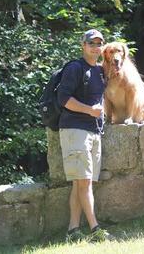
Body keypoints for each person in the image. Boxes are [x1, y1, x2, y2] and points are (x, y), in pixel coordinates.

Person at [57, 29, 111, 242]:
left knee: (80, 183)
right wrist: (90, 111)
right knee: (85, 182)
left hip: (93, 131)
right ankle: (95, 229)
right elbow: (63, 99)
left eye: (99, 44)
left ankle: (72, 231)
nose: (96, 47)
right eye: (92, 43)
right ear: (83, 45)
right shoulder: (75, 68)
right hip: (75, 130)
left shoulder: (99, 71)